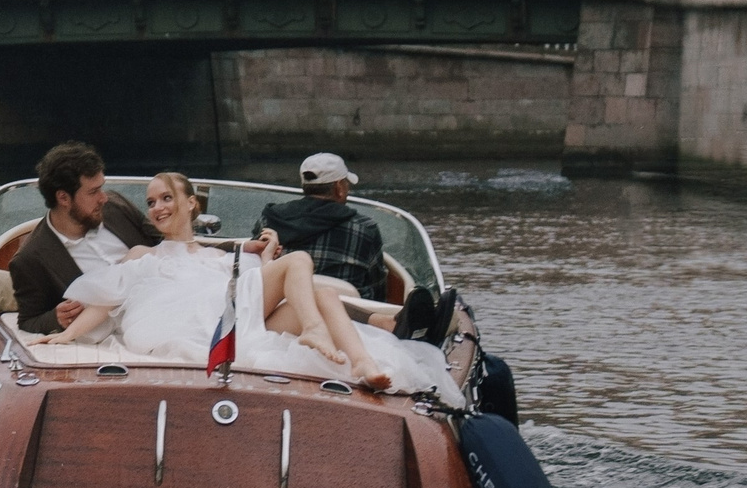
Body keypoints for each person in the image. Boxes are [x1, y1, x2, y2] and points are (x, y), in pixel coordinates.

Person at [51, 171, 394, 385]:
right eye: (151, 202)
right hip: (199, 325)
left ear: (191, 204)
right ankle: (314, 330)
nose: (157, 207)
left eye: (167, 198)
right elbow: (107, 299)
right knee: (300, 260)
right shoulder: (144, 254)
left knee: (325, 296)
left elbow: (254, 287)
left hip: (238, 319)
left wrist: (265, 257)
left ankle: (363, 364)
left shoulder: (219, 257)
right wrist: (66, 335)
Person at [262, 152, 458, 347]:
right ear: (339, 188)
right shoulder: (364, 227)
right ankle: (402, 325)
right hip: (350, 317)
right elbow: (377, 286)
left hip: (281, 312)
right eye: (346, 184)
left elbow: (259, 272)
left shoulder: (270, 220)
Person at [8, 141, 160, 335]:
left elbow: (165, 242)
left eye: (101, 188)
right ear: (63, 198)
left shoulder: (117, 206)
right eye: (93, 192)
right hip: (116, 333)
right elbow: (28, 320)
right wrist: (56, 318)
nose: (103, 198)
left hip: (166, 303)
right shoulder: (30, 259)